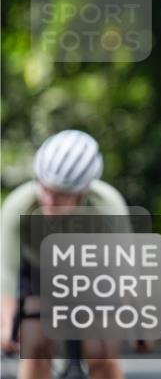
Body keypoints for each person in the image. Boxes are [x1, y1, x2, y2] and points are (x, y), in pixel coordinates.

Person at [0, 130, 135, 379]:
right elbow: (6, 271)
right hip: (39, 274)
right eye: (44, 188)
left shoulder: (107, 206)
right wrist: (7, 327)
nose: (49, 200)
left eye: (60, 193)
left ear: (82, 192)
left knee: (102, 351)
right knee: (36, 346)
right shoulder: (19, 206)